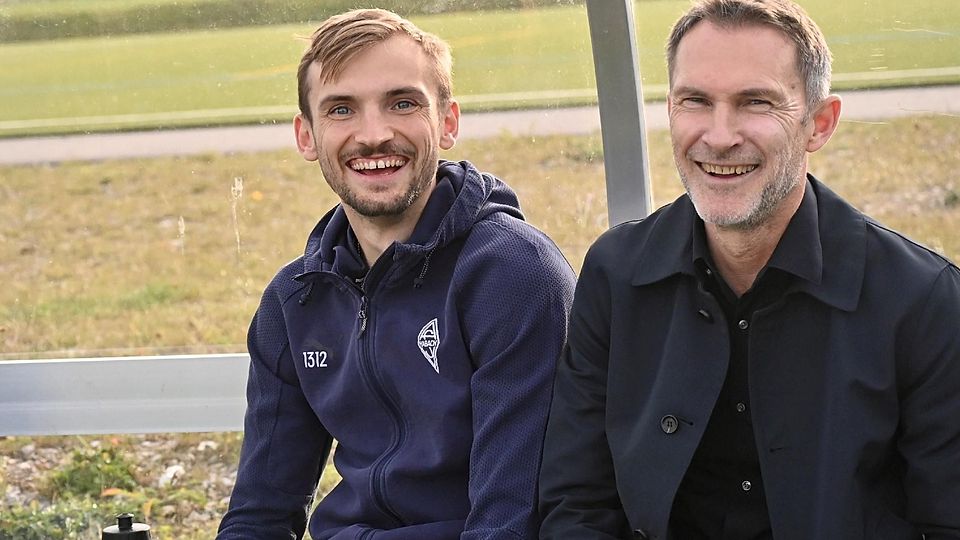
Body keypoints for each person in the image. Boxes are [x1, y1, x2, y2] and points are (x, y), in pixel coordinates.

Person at [538, 0, 960, 538]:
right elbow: (575, 502)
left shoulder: (925, 302)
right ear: (670, 109)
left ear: (819, 124)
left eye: (755, 102)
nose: (719, 136)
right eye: (696, 101)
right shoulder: (614, 273)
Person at [216, 8, 575, 539]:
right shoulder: (295, 301)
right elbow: (260, 513)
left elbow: (511, 520)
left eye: (402, 103)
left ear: (447, 122)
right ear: (307, 135)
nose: (374, 134)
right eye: (341, 110)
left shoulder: (514, 277)